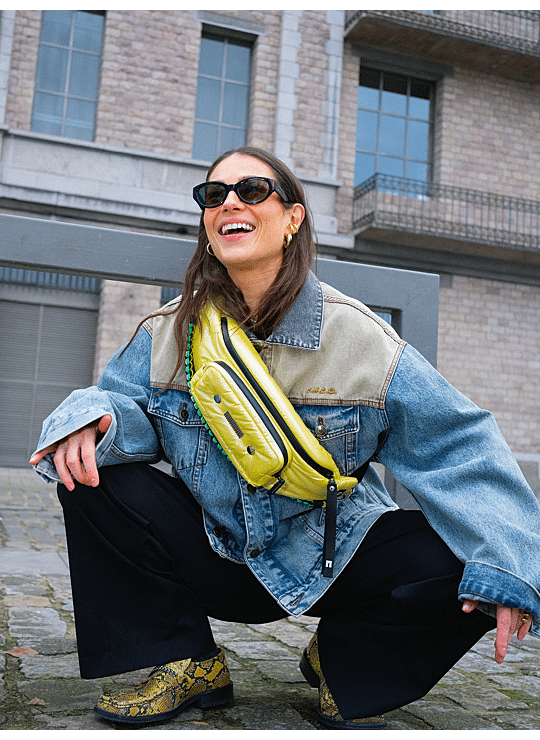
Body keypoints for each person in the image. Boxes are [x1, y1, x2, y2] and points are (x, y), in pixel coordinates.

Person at [29, 146, 540, 730]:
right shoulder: (168, 331)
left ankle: (343, 658)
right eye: (213, 195)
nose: (229, 203)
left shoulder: (363, 341)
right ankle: (186, 659)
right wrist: (94, 419)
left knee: (467, 551)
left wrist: (509, 563)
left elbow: (458, 446)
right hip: (215, 548)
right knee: (87, 474)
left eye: (251, 190)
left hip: (331, 558)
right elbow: (127, 407)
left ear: (293, 218)